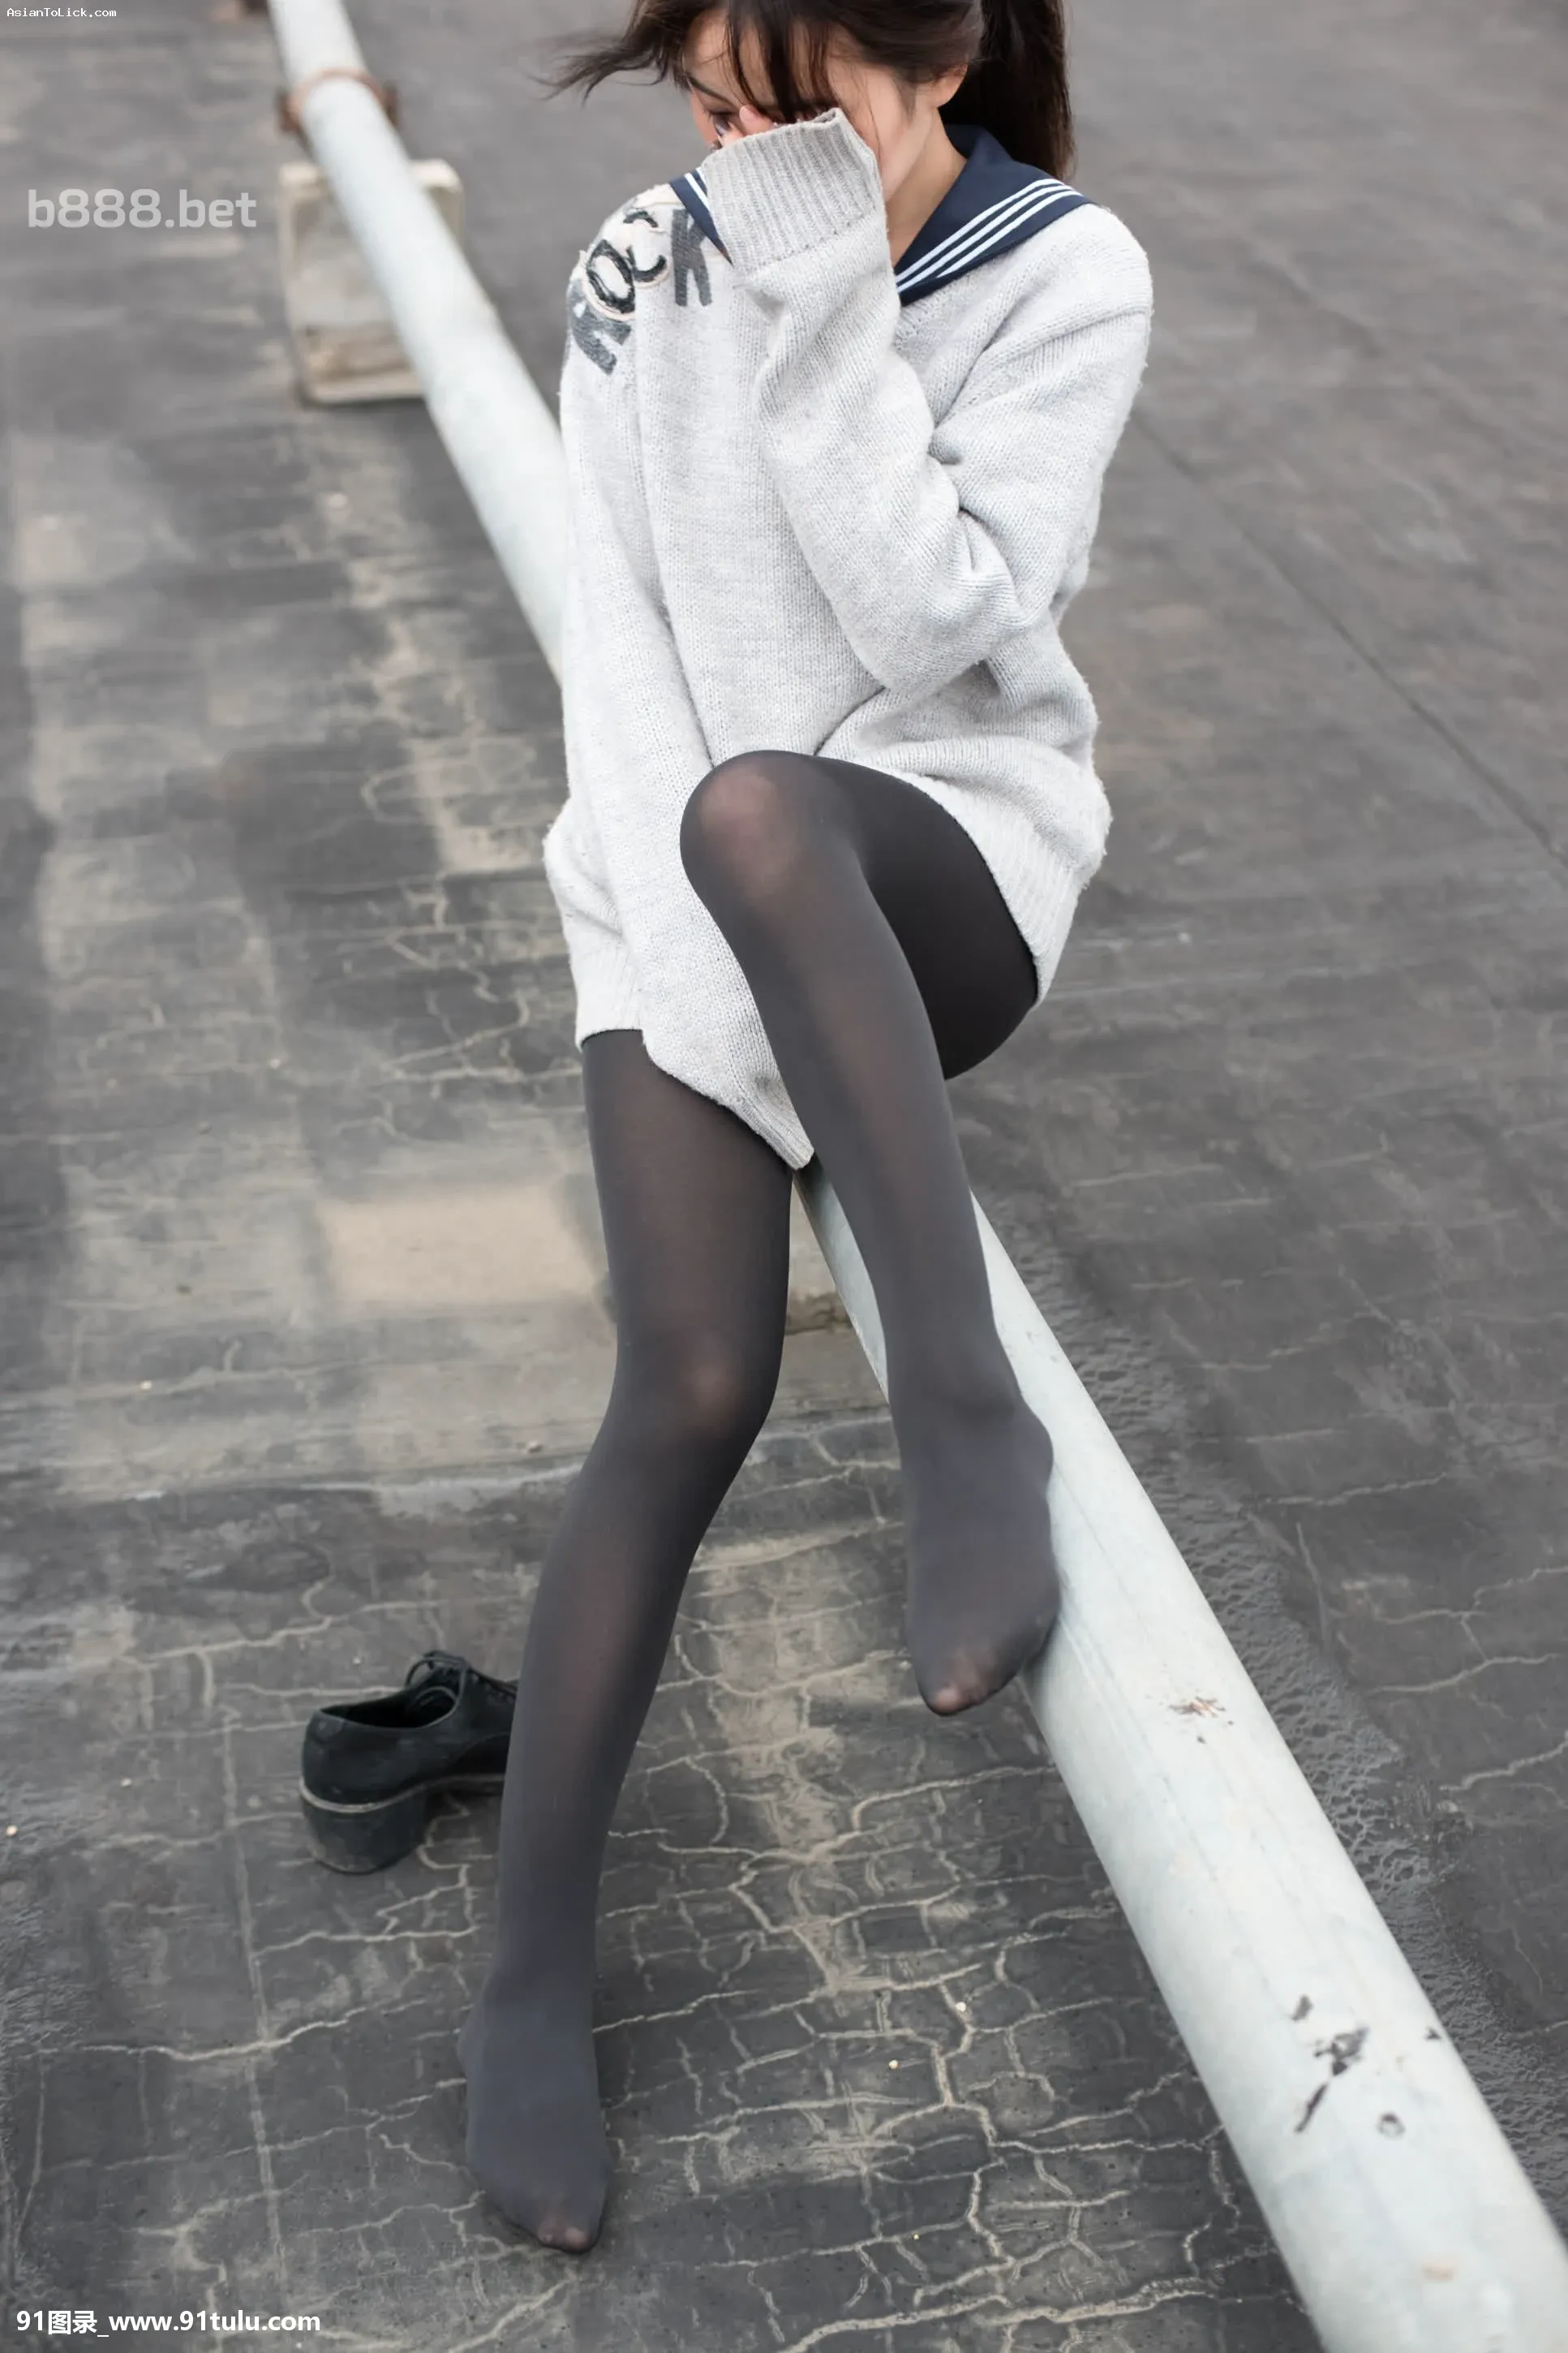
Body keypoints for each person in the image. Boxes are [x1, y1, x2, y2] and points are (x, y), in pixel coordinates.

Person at [458, 0, 1153, 2254]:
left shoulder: (1063, 275)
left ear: (934, 66)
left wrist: (821, 285)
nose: (733, 157)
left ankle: (963, 1415)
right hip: (675, 898)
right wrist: (707, 999)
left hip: (939, 853)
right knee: (686, 1380)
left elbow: (935, 616)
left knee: (773, 809)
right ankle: (527, 1979)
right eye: (710, 107)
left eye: (791, 113)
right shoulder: (632, 268)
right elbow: (625, 658)